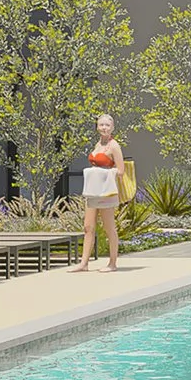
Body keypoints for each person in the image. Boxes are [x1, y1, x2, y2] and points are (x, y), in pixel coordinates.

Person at [73, 113, 125, 274]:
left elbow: (121, 171)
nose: (104, 128)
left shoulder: (114, 146)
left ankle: (113, 262)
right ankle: (84, 263)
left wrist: (105, 173)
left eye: (107, 125)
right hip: (93, 190)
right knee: (88, 227)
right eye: (101, 125)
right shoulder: (97, 144)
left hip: (106, 191)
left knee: (109, 227)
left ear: (112, 127)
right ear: (97, 126)